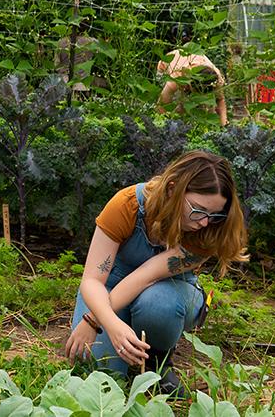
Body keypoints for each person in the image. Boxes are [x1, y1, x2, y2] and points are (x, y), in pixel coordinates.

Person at [62, 150, 248, 397]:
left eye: (214, 214)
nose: (205, 222)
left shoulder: (208, 230)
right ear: (172, 188)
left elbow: (146, 277)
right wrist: (105, 321)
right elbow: (93, 280)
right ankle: (127, 342)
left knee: (158, 304)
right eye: (199, 210)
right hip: (111, 286)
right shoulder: (126, 205)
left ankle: (157, 361)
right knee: (101, 380)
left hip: (170, 289)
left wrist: (95, 319)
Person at [157, 48, 228, 126]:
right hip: (165, 68)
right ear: (190, 84)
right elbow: (161, 105)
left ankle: (202, 127)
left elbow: (220, 100)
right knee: (180, 105)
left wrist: (223, 124)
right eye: (197, 92)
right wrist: (164, 126)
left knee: (208, 106)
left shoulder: (217, 80)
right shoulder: (177, 76)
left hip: (194, 65)